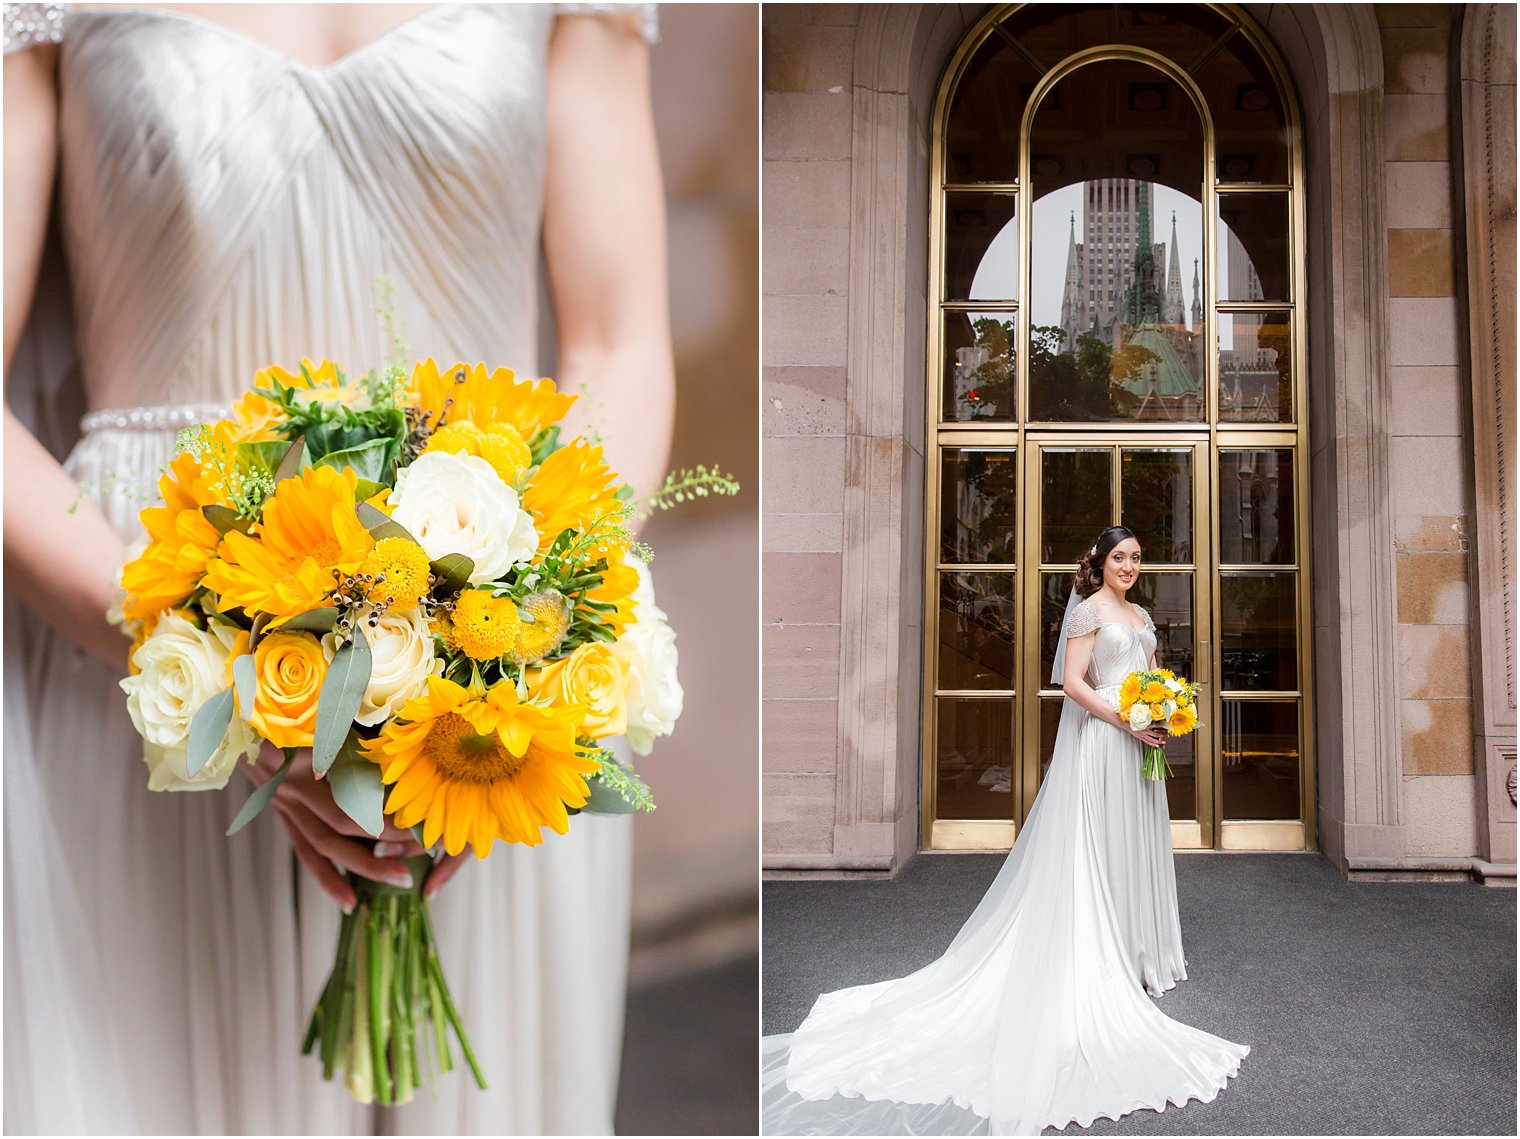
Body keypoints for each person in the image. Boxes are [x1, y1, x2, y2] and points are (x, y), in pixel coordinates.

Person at [3, 3, 671, 1133]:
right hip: (135, 647)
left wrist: (513, 623)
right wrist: (221, 674)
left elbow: (617, 339)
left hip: (483, 683)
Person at [762, 525, 1250, 1135]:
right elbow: (1072, 684)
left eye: (1136, 559)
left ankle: (1140, 952)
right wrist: (1128, 719)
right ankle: (1104, 958)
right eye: (1119, 558)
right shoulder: (1091, 612)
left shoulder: (1142, 612)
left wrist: (1165, 705)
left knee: (1136, 845)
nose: (1129, 566)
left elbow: (1150, 673)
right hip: (1103, 742)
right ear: (1098, 564)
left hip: (1135, 747)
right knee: (1096, 848)